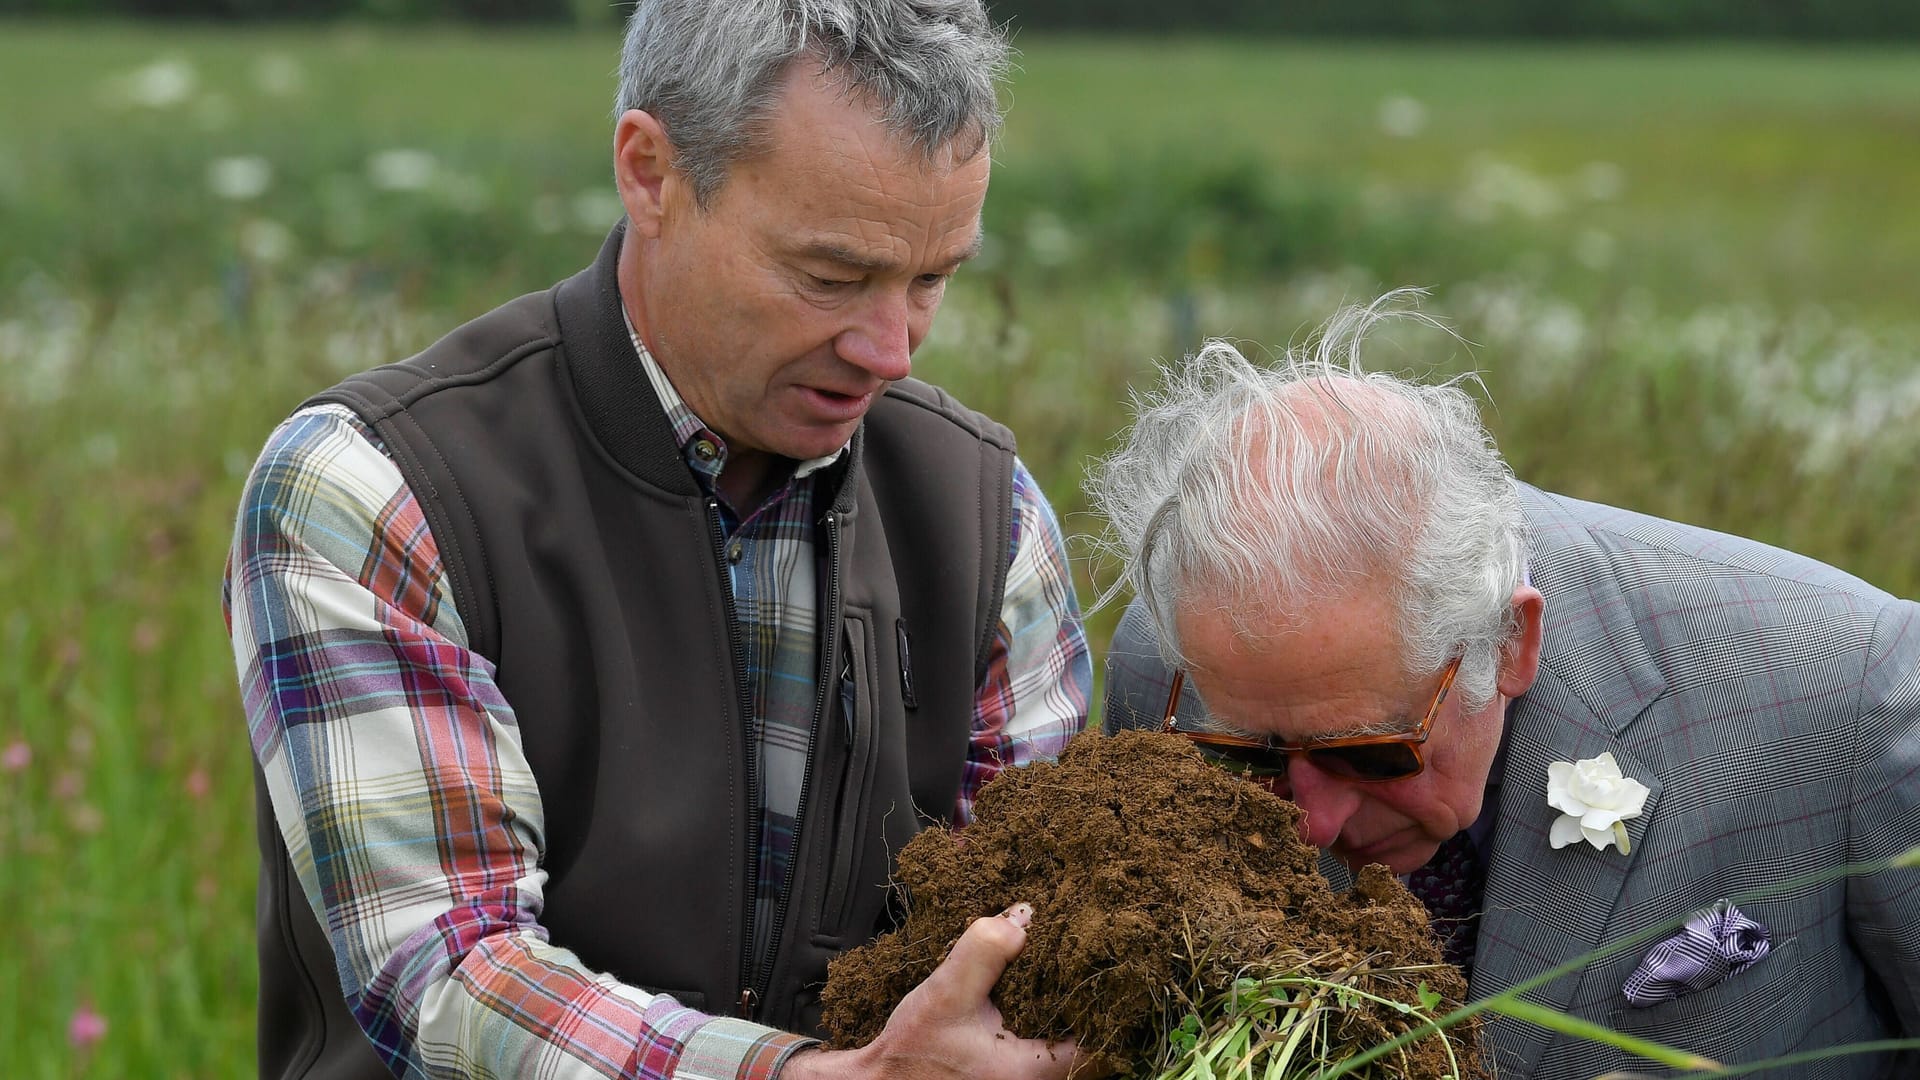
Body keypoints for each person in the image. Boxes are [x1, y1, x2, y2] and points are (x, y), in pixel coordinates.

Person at [222, 3, 1094, 1077]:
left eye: (931, 280)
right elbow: (448, 975)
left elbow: (1041, 935)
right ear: (651, 173)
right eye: (830, 277)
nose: (889, 351)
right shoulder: (377, 493)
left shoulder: (986, 519)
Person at [1094, 295, 1920, 1079]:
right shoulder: (1164, 666)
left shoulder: (1846, 688)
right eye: (1255, 754)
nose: (1312, 823)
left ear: (1510, 642)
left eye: (1373, 753)